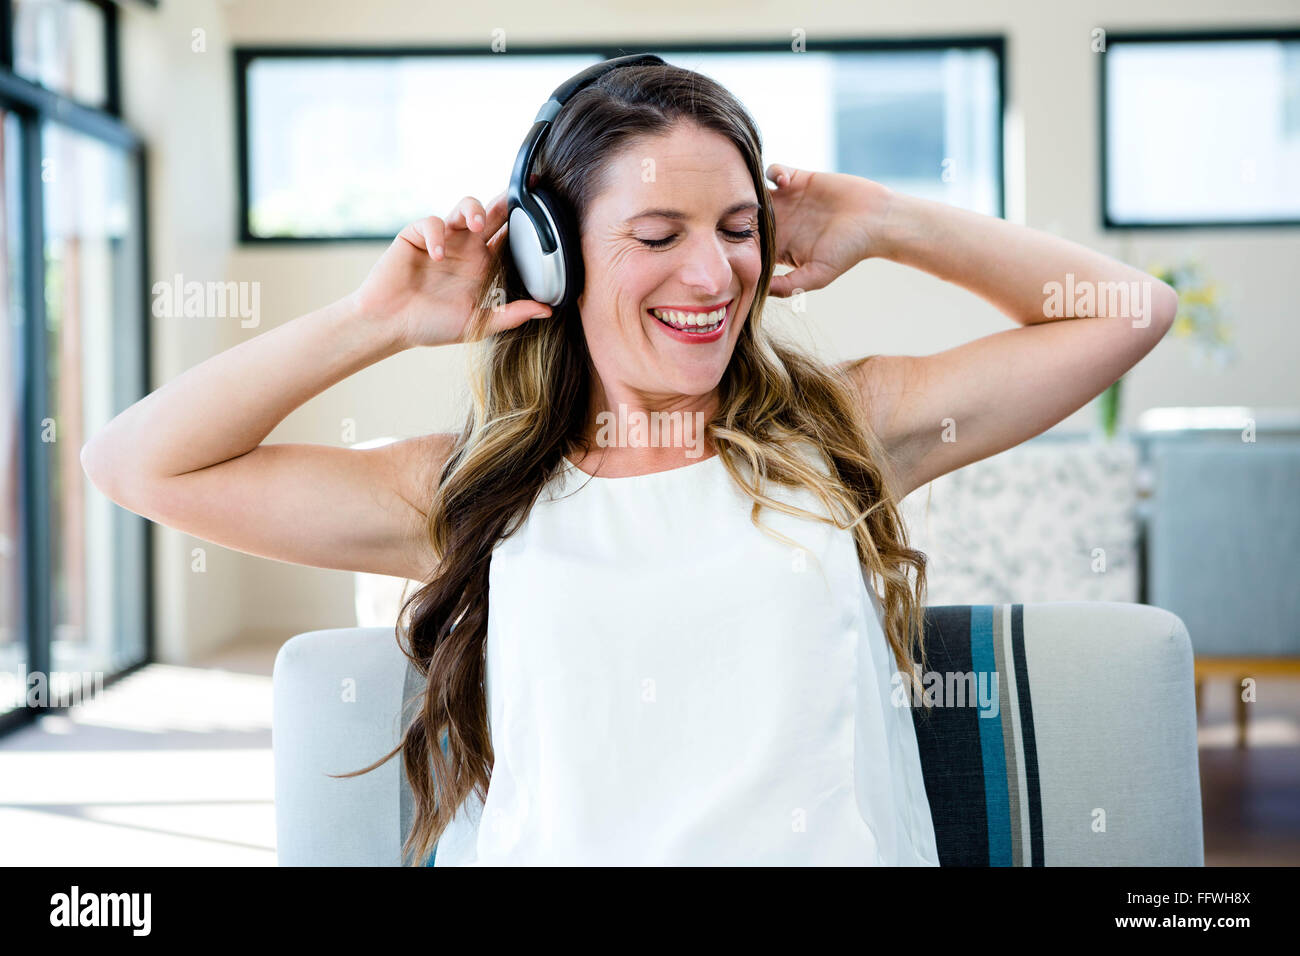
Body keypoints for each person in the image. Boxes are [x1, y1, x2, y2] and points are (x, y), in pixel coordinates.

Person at [80, 59, 1177, 866]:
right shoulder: (478, 491)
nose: (712, 275)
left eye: (739, 228)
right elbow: (135, 463)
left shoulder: (843, 432)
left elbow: (1129, 312)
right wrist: (377, 320)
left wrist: (885, 218)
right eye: (657, 237)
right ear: (547, 258)